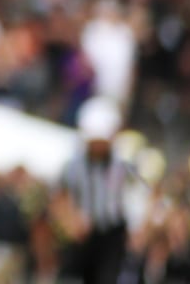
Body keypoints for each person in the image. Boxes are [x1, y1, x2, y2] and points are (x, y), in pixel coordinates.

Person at [55, 97, 134, 284]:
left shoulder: (123, 165)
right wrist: (71, 221)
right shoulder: (73, 166)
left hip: (112, 233)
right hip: (82, 234)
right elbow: (61, 197)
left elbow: (135, 198)